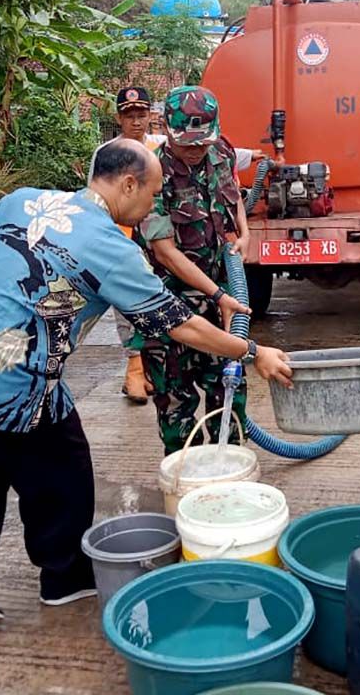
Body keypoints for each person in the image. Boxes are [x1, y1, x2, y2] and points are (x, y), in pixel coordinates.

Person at [0, 138, 292, 629]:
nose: (153, 204)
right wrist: (252, 351)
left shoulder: (25, 198)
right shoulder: (113, 250)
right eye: (152, 193)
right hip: (10, 384)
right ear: (129, 183)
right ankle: (64, 578)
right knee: (66, 474)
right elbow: (179, 325)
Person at [134, 85, 254, 455]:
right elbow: (165, 252)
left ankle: (231, 472)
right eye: (188, 143)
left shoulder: (221, 151)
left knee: (230, 393)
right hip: (170, 310)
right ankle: (187, 484)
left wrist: (245, 234)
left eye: (203, 142)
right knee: (177, 408)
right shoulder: (150, 173)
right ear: (167, 129)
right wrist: (218, 294)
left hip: (221, 306)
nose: (196, 150)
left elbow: (233, 195)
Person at [89, 86, 168, 405]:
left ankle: (157, 367)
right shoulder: (107, 154)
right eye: (129, 115)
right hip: (122, 235)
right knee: (125, 301)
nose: (136, 121)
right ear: (119, 117)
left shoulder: (162, 148)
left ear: (151, 116)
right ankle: (134, 368)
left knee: (162, 296)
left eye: (141, 114)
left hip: (159, 236)